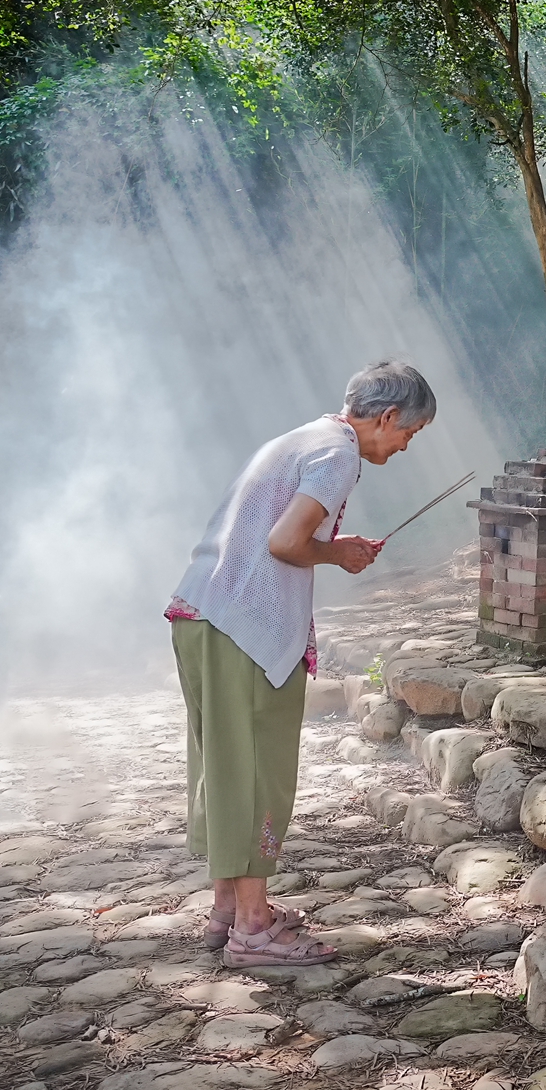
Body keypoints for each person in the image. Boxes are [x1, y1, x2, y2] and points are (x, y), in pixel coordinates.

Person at [167, 361, 435, 968]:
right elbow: (285, 543)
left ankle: (229, 909)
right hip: (244, 630)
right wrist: (339, 554)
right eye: (409, 433)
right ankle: (254, 929)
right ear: (388, 417)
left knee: (224, 766)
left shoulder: (301, 439)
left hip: (201, 614)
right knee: (257, 770)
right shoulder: (340, 454)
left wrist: (336, 547)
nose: (404, 445)